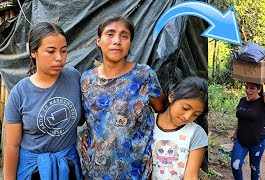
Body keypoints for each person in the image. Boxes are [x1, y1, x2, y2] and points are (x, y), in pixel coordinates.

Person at [80, 16, 164, 179]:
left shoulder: (144, 76)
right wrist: (88, 134)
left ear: (130, 43)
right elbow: (87, 119)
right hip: (96, 169)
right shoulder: (86, 80)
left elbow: (161, 110)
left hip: (134, 169)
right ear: (98, 41)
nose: (117, 40)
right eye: (110, 34)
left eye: (124, 36)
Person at [3, 22, 83, 179]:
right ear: (33, 52)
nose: (59, 58)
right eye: (51, 51)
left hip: (68, 167)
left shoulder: (73, 77)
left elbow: (83, 119)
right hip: (34, 171)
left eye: (64, 51)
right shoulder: (20, 93)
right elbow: (12, 146)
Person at [151, 76, 208, 179]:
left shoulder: (196, 134)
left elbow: (191, 175)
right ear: (171, 96)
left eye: (196, 114)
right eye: (185, 108)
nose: (187, 117)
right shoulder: (148, 123)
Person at [230, 57, 265, 180]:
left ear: (259, 89)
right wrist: (235, 133)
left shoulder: (263, 102)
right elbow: (240, 118)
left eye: (252, 88)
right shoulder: (242, 101)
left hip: (257, 142)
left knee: (254, 167)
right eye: (247, 87)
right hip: (241, 141)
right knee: (235, 165)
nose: (248, 91)